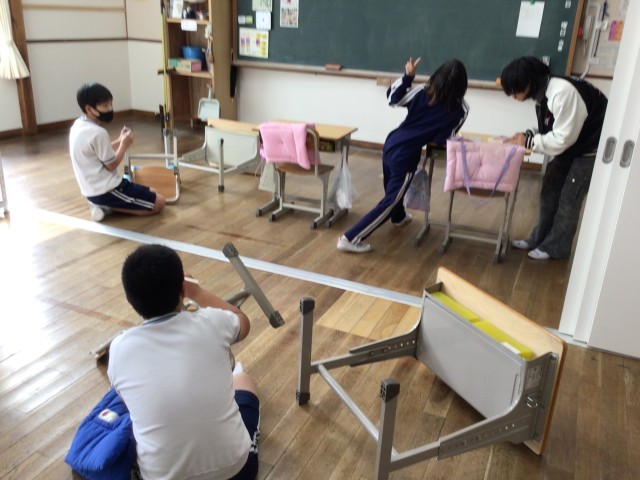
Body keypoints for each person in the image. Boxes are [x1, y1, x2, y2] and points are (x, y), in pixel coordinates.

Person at [108, 244, 260, 480]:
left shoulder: (119, 348)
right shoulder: (211, 322)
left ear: (130, 299)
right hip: (235, 472)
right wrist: (197, 293)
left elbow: (128, 403)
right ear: (182, 289)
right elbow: (242, 321)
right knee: (243, 380)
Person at [337, 58, 469, 253]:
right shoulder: (459, 110)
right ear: (462, 86)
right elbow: (442, 139)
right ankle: (350, 238)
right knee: (391, 200)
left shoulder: (423, 91)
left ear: (437, 76)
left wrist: (408, 77)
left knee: (393, 189)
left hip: (391, 143)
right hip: (406, 155)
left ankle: (398, 217)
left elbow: (392, 99)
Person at [501, 56, 608, 260]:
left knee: (570, 197)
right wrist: (526, 136)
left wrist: (529, 142)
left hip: (590, 149)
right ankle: (538, 239)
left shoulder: (562, 92)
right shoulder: (544, 94)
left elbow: (562, 138)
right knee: (550, 187)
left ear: (528, 82)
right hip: (573, 146)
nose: (513, 96)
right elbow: (551, 128)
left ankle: (556, 247)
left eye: (514, 91)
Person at [69, 83, 166, 222]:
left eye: (111, 104)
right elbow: (111, 165)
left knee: (155, 192)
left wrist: (120, 140)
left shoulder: (78, 125)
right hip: (106, 191)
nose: (110, 109)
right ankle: (108, 206)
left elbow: (98, 151)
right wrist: (124, 144)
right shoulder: (98, 132)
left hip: (95, 189)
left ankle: (106, 205)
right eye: (105, 106)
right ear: (89, 108)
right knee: (160, 203)